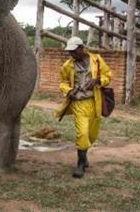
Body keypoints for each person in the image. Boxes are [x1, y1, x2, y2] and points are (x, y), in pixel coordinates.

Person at [56, 36, 111, 178]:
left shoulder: (97, 60)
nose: (71, 54)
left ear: (81, 48)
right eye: (70, 52)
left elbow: (108, 76)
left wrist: (98, 80)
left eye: (74, 51)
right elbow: (63, 82)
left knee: (92, 135)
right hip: (79, 104)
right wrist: (68, 91)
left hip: (95, 102)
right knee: (83, 133)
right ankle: (80, 164)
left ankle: (84, 155)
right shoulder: (67, 66)